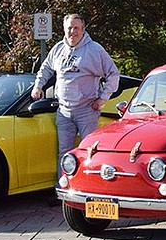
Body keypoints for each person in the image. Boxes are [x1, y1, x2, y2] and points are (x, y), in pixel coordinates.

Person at [32, 14, 120, 187]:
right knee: (64, 153)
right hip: (64, 111)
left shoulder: (94, 50)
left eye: (76, 28)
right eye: (69, 28)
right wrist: (38, 86)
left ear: (83, 29)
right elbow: (46, 68)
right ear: (64, 30)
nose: (73, 32)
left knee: (89, 151)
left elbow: (113, 74)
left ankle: (90, 187)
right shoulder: (58, 49)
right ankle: (64, 188)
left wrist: (102, 99)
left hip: (87, 111)